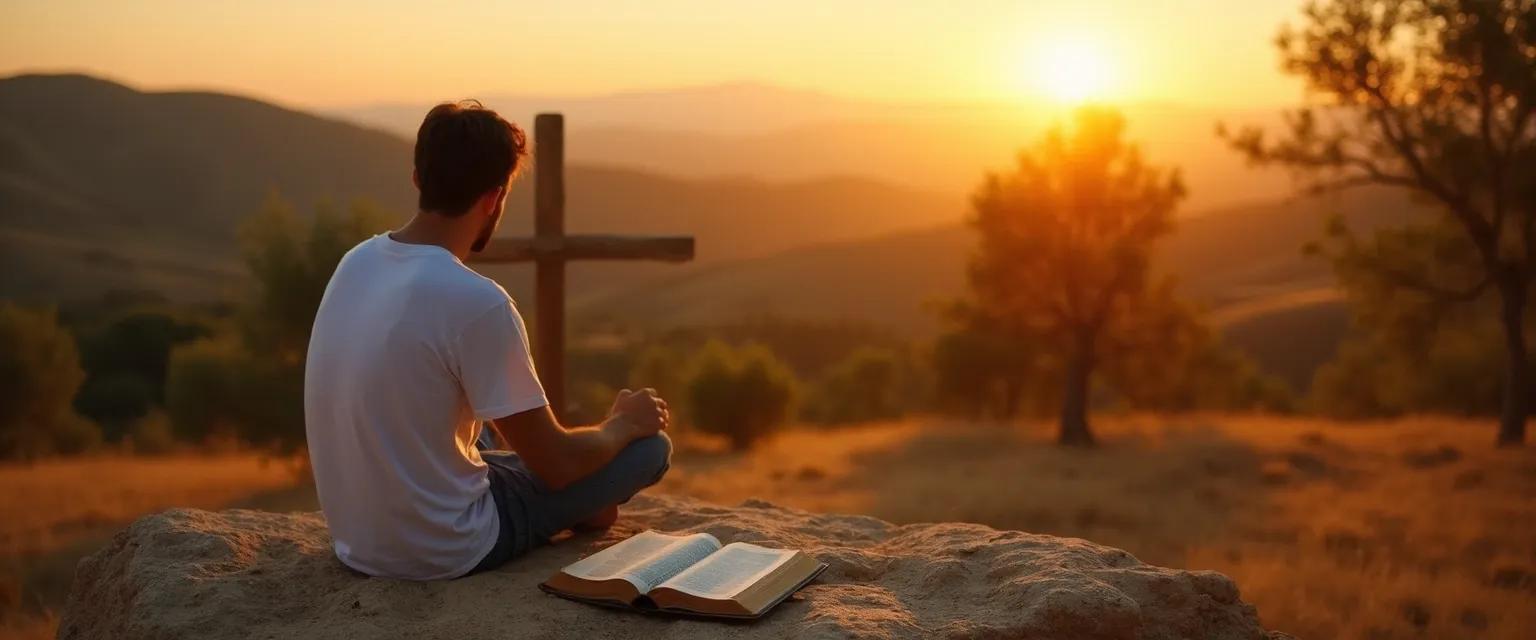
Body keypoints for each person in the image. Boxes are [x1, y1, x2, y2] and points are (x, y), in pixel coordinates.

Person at [303, 100, 672, 580]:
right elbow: (557, 465)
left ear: (418, 179)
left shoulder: (355, 262)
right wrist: (622, 424)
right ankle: (585, 499)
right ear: (495, 198)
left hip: (358, 542)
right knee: (650, 450)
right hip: (446, 546)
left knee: (487, 426)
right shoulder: (479, 302)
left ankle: (582, 498)